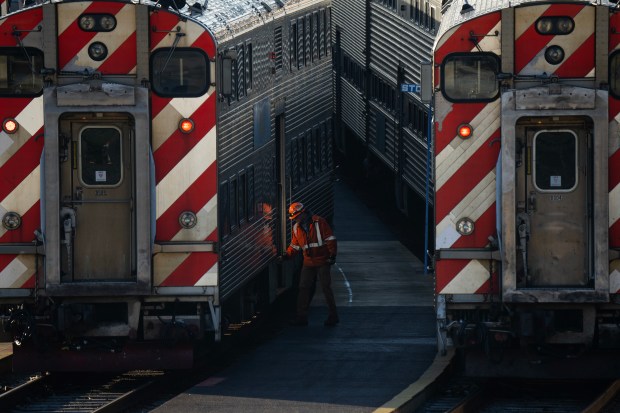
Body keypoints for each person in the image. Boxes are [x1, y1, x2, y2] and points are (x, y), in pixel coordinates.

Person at [284, 202, 339, 327]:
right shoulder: (296, 228)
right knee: (303, 287)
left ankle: (333, 315)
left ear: (303, 213)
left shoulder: (319, 222)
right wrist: (287, 255)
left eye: (297, 217)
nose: (296, 219)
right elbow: (295, 246)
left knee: (326, 287)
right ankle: (301, 317)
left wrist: (332, 255)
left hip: (323, 260)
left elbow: (330, 239)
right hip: (308, 261)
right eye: (294, 218)